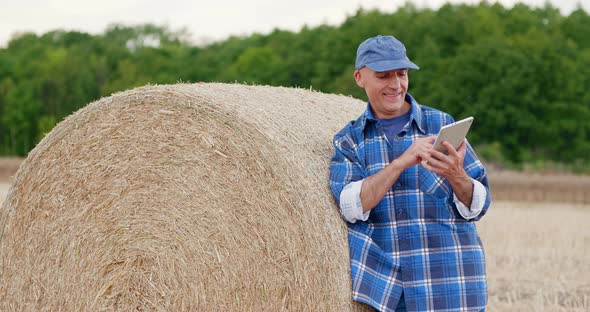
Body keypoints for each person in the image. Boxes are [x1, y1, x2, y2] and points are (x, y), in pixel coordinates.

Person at [329, 35, 492, 311]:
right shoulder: (350, 140)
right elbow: (350, 208)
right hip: (392, 295)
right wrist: (399, 163)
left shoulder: (442, 124)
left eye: (402, 74)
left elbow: (478, 205)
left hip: (454, 286)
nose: (395, 85)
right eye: (383, 76)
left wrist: (456, 175)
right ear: (360, 78)